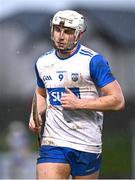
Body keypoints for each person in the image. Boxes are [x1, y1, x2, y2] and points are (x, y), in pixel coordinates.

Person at [29, 10, 125, 179]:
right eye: (57, 29)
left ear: (79, 35)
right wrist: (35, 113)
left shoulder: (93, 61)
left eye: (67, 32)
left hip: (87, 143)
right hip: (53, 142)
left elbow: (117, 101)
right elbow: (41, 94)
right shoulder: (42, 62)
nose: (60, 36)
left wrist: (78, 103)